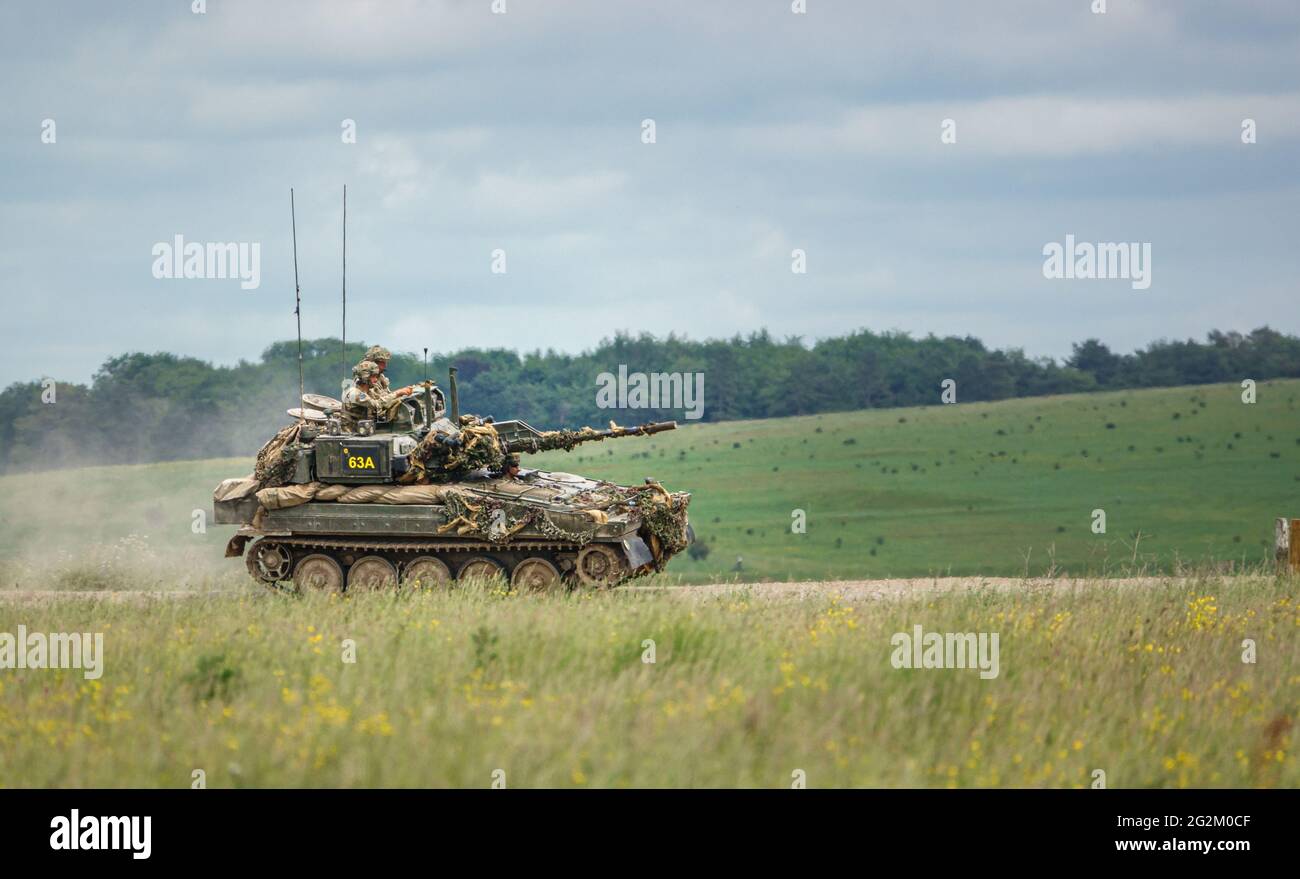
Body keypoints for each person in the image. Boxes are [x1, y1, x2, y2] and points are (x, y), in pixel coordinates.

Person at [342, 360, 414, 430]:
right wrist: (397, 393)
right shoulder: (355, 393)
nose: (376, 380)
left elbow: (382, 399)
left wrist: (400, 395)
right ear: (365, 377)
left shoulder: (369, 391)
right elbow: (376, 405)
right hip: (352, 431)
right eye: (373, 377)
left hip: (366, 428)